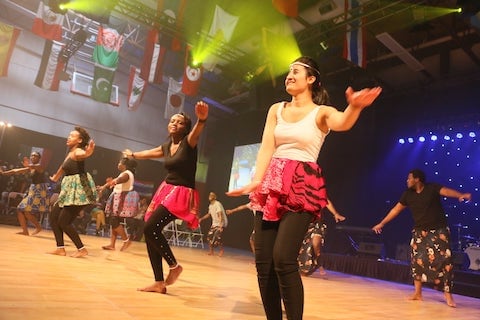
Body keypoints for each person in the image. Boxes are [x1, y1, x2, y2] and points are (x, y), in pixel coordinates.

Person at [227, 56, 382, 320]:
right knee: (263, 263)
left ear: (311, 79)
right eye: (288, 71)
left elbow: (342, 121)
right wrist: (256, 180)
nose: (289, 75)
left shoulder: (321, 112)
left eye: (295, 71)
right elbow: (267, 146)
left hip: (301, 184)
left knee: (283, 258)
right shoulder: (276, 109)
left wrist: (354, 108)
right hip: (272, 183)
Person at [123, 101, 208, 294]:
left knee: (150, 227)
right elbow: (150, 153)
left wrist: (202, 119)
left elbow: (197, 131)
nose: (174, 124)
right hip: (167, 189)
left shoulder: (189, 142)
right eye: (172, 121)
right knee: (151, 230)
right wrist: (133, 154)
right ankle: (159, 282)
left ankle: (174, 266)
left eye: (179, 122)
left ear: (185, 127)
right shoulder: (168, 144)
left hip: (181, 192)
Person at [372, 169, 471, 308]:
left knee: (445, 262)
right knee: (417, 261)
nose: (407, 181)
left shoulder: (432, 188)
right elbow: (395, 209)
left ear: (417, 179)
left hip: (439, 231)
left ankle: (448, 294)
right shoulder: (408, 195)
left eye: (409, 178)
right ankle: (418, 293)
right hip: (420, 232)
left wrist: (460, 195)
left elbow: (446, 191)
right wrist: (382, 223)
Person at [49, 126, 97, 258]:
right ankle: (60, 248)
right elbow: (63, 167)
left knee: (64, 222)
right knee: (53, 217)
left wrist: (89, 151)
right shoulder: (70, 153)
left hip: (78, 191)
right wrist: (56, 177)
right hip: (68, 191)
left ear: (80, 140)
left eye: (72, 136)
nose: (68, 137)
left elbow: (84, 154)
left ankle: (82, 249)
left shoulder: (78, 152)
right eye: (69, 135)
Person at [1, 152, 49, 235]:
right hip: (33, 189)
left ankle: (37, 227)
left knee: (23, 209)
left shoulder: (40, 166)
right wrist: (4, 173)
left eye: (36, 156)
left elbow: (32, 166)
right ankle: (28, 230)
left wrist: (27, 165)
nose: (33, 157)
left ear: (39, 158)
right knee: (22, 210)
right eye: (32, 156)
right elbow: (16, 171)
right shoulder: (30, 168)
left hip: (39, 190)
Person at [298, 199, 346, 276]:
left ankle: (319, 264)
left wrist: (336, 214)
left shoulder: (318, 188)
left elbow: (326, 200)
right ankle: (310, 265)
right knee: (304, 248)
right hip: (305, 220)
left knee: (316, 243)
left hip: (317, 222)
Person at [102, 157, 139, 251]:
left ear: (124, 165)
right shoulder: (124, 173)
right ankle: (112, 245)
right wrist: (103, 187)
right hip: (118, 196)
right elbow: (116, 180)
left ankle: (126, 240)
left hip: (122, 197)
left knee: (113, 220)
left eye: (120, 162)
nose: (118, 164)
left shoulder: (127, 174)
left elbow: (121, 179)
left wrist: (115, 181)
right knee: (115, 220)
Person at [199, 192, 228, 257]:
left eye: (212, 195)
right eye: (209, 195)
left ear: (214, 197)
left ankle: (221, 250)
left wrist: (220, 225)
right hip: (214, 224)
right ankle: (211, 251)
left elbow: (220, 215)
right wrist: (201, 219)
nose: (210, 196)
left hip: (221, 223)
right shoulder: (210, 205)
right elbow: (209, 214)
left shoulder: (217, 204)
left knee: (218, 238)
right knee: (209, 237)